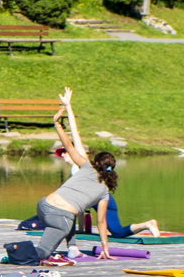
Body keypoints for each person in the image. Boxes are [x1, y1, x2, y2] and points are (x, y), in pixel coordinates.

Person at [8, 89, 115, 267]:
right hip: (60, 217)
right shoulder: (104, 191)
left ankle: (72, 247)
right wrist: (105, 246)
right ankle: (12, 250)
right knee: (42, 253)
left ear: (96, 163)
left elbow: (70, 143)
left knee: (70, 215)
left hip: (43, 206)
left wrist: (58, 123)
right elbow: (101, 222)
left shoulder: (87, 166)